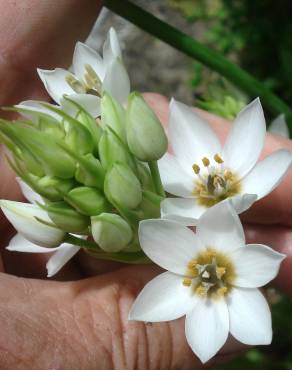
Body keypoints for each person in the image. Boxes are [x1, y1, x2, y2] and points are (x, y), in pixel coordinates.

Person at [0, 1, 292, 369]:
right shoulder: (170, 217)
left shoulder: (191, 209)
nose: (209, 273)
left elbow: (164, 221)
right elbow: (159, 225)